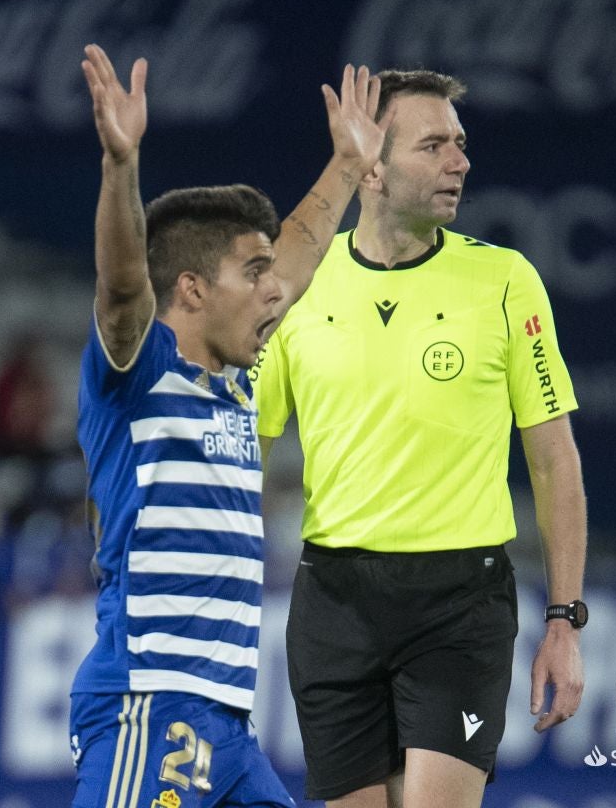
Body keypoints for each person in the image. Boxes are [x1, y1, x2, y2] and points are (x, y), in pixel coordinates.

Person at [252, 69, 588, 808]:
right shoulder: (300, 289)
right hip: (333, 601)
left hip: (459, 604)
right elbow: (251, 449)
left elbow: (554, 457)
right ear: (369, 164)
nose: (460, 162)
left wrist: (564, 620)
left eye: (460, 144)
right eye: (434, 145)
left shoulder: (505, 280)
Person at [69, 44, 392, 808]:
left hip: (227, 726)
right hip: (150, 705)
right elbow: (119, 288)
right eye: (251, 274)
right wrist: (121, 165)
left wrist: (348, 162)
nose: (272, 291)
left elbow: (301, 256)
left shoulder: (239, 380)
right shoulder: (140, 374)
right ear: (190, 290)